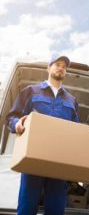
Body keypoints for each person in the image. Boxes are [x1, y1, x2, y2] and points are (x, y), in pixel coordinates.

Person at [6, 55, 79, 215]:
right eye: (57, 64)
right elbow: (12, 117)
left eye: (64, 67)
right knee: (27, 207)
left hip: (59, 161)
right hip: (33, 158)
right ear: (48, 68)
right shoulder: (31, 91)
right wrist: (17, 124)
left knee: (56, 209)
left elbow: (76, 131)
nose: (61, 68)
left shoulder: (72, 100)